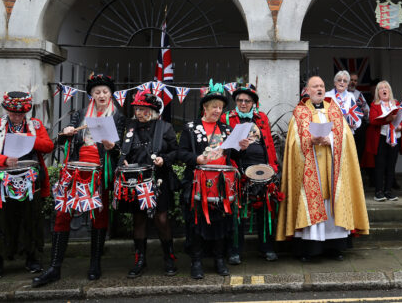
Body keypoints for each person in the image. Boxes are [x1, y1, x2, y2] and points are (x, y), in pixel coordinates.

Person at [34, 75, 125, 287]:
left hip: (99, 172)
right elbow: (61, 141)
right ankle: (54, 267)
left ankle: (95, 264)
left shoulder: (118, 117)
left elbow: (121, 151)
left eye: (105, 92)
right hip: (75, 170)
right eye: (97, 92)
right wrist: (66, 132)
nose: (101, 95)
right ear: (91, 94)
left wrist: (112, 147)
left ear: (110, 94)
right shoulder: (81, 114)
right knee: (62, 215)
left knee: (99, 217)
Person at [276, 76, 369, 262]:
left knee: (333, 205)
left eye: (321, 86)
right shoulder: (300, 112)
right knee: (312, 205)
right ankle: (309, 249)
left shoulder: (334, 110)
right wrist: (309, 140)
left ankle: (335, 247)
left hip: (333, 169)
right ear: (307, 91)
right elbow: (293, 142)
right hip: (311, 171)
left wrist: (331, 140)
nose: (319, 89)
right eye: (315, 86)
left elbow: (347, 137)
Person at [117, 90, 179, 278]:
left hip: (158, 178)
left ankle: (169, 257)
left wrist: (164, 159)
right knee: (139, 219)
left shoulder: (165, 127)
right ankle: (140, 260)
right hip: (135, 179)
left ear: (152, 111)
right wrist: (122, 160)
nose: (138, 113)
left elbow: (176, 152)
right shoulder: (129, 127)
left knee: (161, 219)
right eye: (136, 109)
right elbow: (122, 150)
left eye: (142, 109)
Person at [178, 82, 236, 278]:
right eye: (214, 107)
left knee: (221, 221)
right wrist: (197, 159)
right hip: (198, 181)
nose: (218, 111)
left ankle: (219, 259)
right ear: (205, 107)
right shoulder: (190, 128)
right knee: (197, 222)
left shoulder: (227, 129)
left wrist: (242, 146)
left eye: (220, 107)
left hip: (221, 183)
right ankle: (196, 261)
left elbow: (234, 156)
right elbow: (181, 153)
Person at [221, 83, 280, 264]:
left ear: (253, 102)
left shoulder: (261, 117)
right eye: (239, 100)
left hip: (262, 169)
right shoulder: (227, 118)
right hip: (238, 170)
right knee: (237, 212)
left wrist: (273, 167)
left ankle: (266, 248)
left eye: (247, 101)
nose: (243, 103)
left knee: (265, 210)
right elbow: (222, 147)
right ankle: (235, 251)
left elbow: (269, 144)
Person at [0, 91, 53, 278]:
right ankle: (1, 259)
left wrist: (28, 139)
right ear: (7, 110)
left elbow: (48, 146)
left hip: (30, 179)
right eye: (14, 113)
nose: (17, 117)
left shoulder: (35, 125)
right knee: (3, 219)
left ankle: (32, 258)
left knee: (31, 217)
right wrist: (4, 160)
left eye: (21, 114)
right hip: (3, 180)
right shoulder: (0, 125)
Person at [365, 81, 402, 202]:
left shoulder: (396, 103)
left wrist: (400, 126)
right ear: (378, 92)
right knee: (380, 165)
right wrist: (387, 119)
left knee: (391, 165)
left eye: (386, 88)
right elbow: (372, 120)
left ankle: (388, 191)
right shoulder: (375, 105)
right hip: (381, 138)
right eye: (381, 88)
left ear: (389, 90)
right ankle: (378, 192)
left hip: (395, 137)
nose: (384, 90)